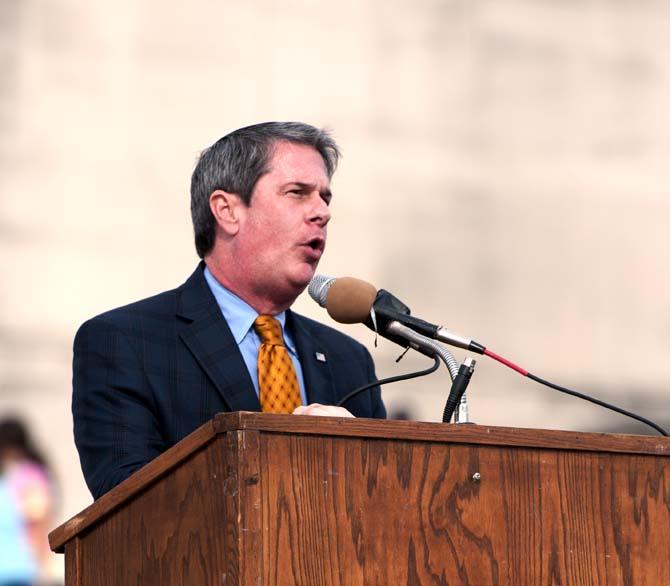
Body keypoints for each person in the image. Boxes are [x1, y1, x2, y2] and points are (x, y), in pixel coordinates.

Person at [73, 122, 386, 500]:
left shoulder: (348, 361)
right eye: (297, 193)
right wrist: (285, 459)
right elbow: (127, 504)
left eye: (325, 198)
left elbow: (381, 508)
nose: (322, 212)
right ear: (227, 210)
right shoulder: (123, 342)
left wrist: (360, 461)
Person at [0, 417, 60, 586]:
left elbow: (38, 523)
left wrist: (42, 570)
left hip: (21, 572)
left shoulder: (26, 475)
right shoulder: (26, 475)